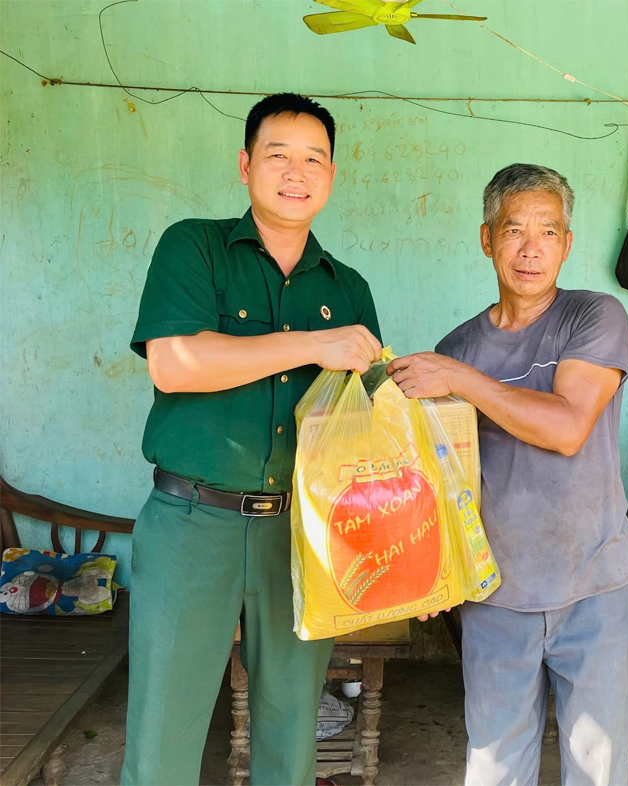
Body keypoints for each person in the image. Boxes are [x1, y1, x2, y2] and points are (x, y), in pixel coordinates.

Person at [123, 93, 382, 785]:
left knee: (291, 729)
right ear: (245, 165)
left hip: (302, 537)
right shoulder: (194, 245)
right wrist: (310, 344)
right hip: (191, 523)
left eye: (313, 159)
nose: (295, 172)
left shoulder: (348, 289)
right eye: (277, 155)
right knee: (162, 738)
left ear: (331, 175)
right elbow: (174, 364)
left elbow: (360, 430)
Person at [388, 163, 628, 786]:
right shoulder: (458, 348)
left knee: (598, 769)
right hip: (495, 596)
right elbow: (443, 482)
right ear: (486, 238)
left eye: (548, 232)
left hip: (596, 588)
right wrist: (429, 569)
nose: (531, 249)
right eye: (514, 230)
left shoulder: (594, 316)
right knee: (496, 766)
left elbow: (566, 427)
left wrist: (464, 383)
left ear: (568, 244)